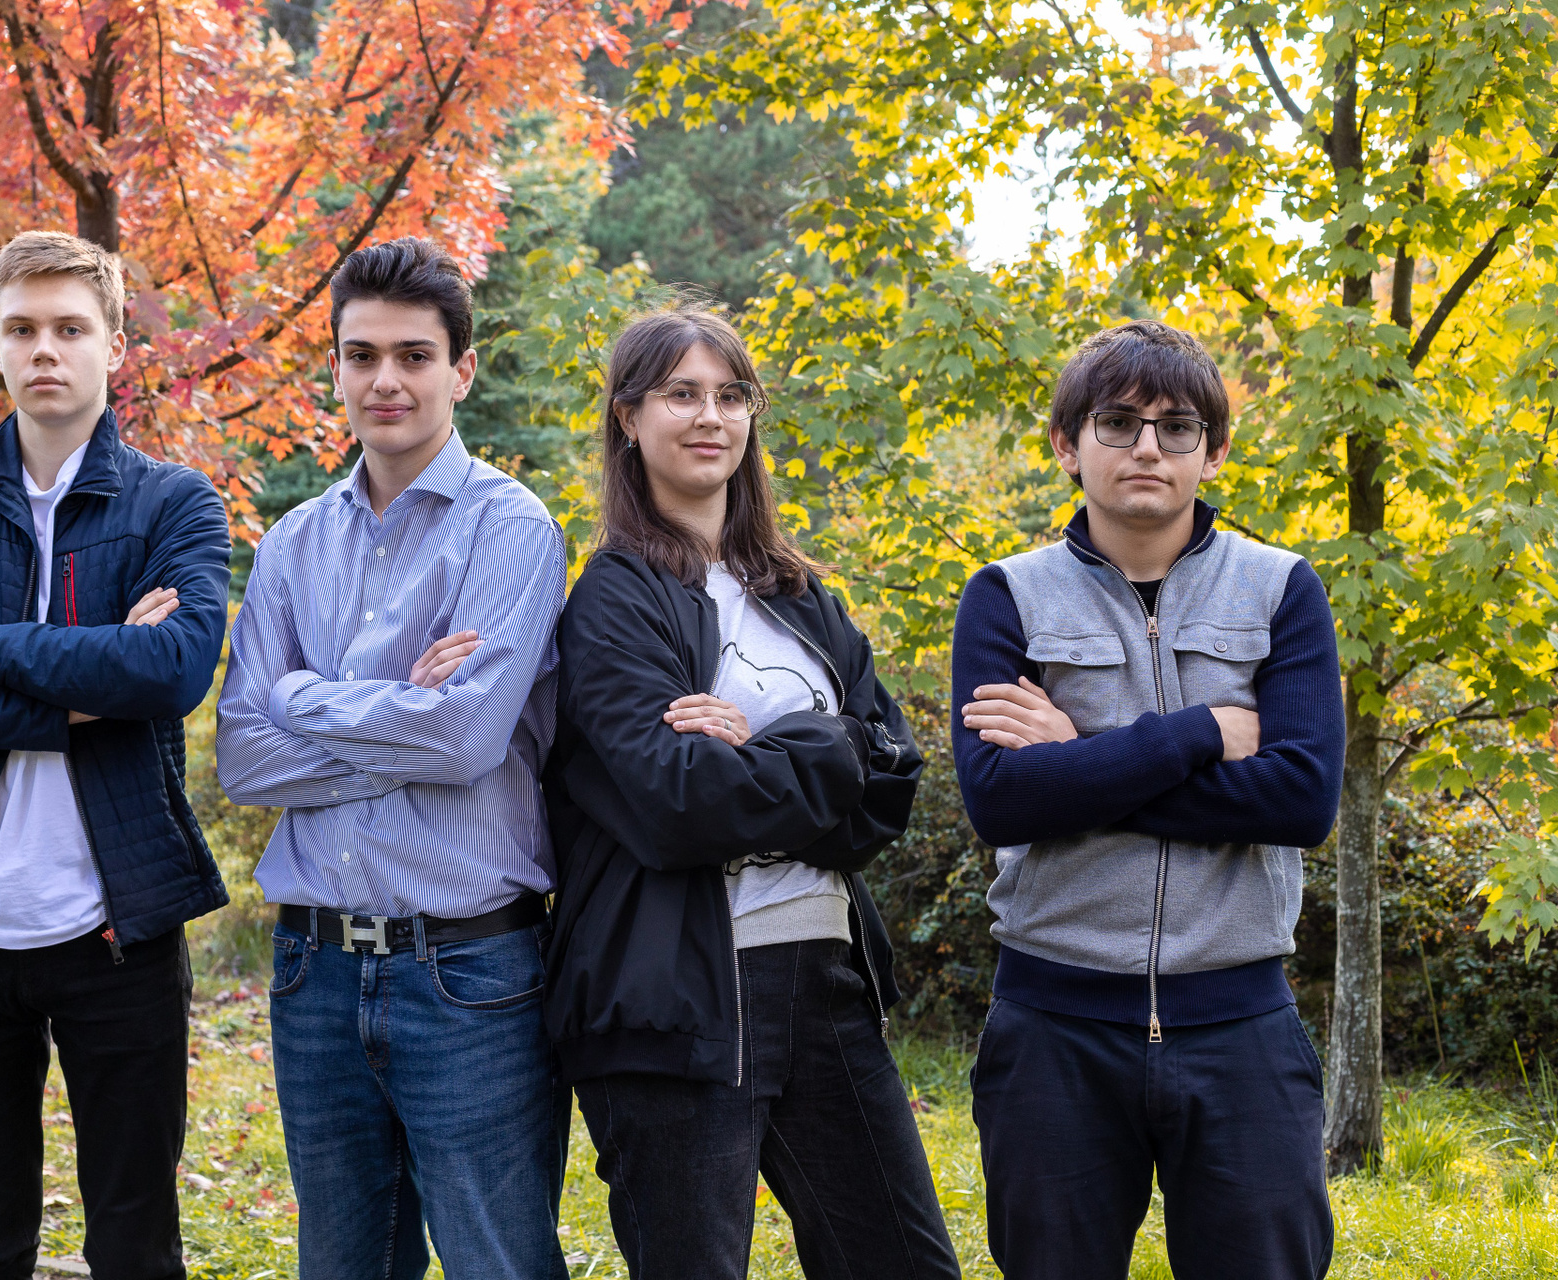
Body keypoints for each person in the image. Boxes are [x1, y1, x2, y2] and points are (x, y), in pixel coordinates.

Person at [542, 305, 962, 1280]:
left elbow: (891, 780)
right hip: (671, 1000)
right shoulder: (612, 600)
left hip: (827, 980)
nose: (711, 416)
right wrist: (833, 747)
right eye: (681, 394)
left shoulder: (799, 595)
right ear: (627, 417)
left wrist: (778, 744)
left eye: (731, 395)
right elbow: (677, 801)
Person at [0, 230, 233, 1280]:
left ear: (115, 346)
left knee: (136, 1251)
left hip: (117, 931)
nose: (44, 349)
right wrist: (77, 698)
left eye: (70, 328)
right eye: (21, 329)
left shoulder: (174, 503)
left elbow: (172, 671)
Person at [951, 320, 1346, 1279]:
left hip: (1243, 1028)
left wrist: (1076, 764)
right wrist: (1197, 734)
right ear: (1067, 443)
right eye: (1118, 423)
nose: (1147, 448)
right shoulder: (1005, 597)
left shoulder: (1282, 590)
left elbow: (1301, 801)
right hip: (1052, 1030)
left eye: (1177, 429)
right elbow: (1001, 801)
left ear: (1214, 451)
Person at [213, 236, 571, 1279]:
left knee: (499, 1263)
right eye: (361, 355)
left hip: (469, 974)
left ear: (462, 370)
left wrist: (303, 695)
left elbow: (464, 738)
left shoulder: (510, 528)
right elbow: (244, 759)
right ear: (334, 368)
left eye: (415, 356)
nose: (386, 380)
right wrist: (402, 712)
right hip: (313, 970)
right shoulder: (292, 544)